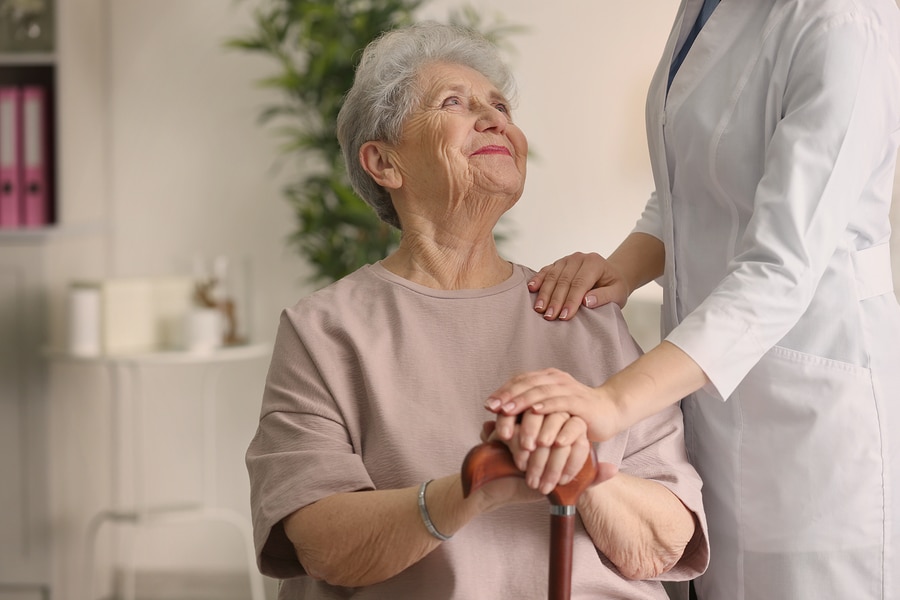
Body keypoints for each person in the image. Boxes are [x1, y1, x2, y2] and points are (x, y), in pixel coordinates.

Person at [245, 21, 709, 600]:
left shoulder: (579, 310)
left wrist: (580, 473)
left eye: (500, 106)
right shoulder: (325, 330)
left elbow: (667, 539)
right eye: (454, 103)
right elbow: (320, 544)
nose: (496, 120)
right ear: (385, 164)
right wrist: (473, 488)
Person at [484, 1, 900, 599]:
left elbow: (780, 270)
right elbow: (690, 181)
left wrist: (611, 403)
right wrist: (621, 270)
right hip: (710, 392)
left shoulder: (842, 19)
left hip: (813, 418)